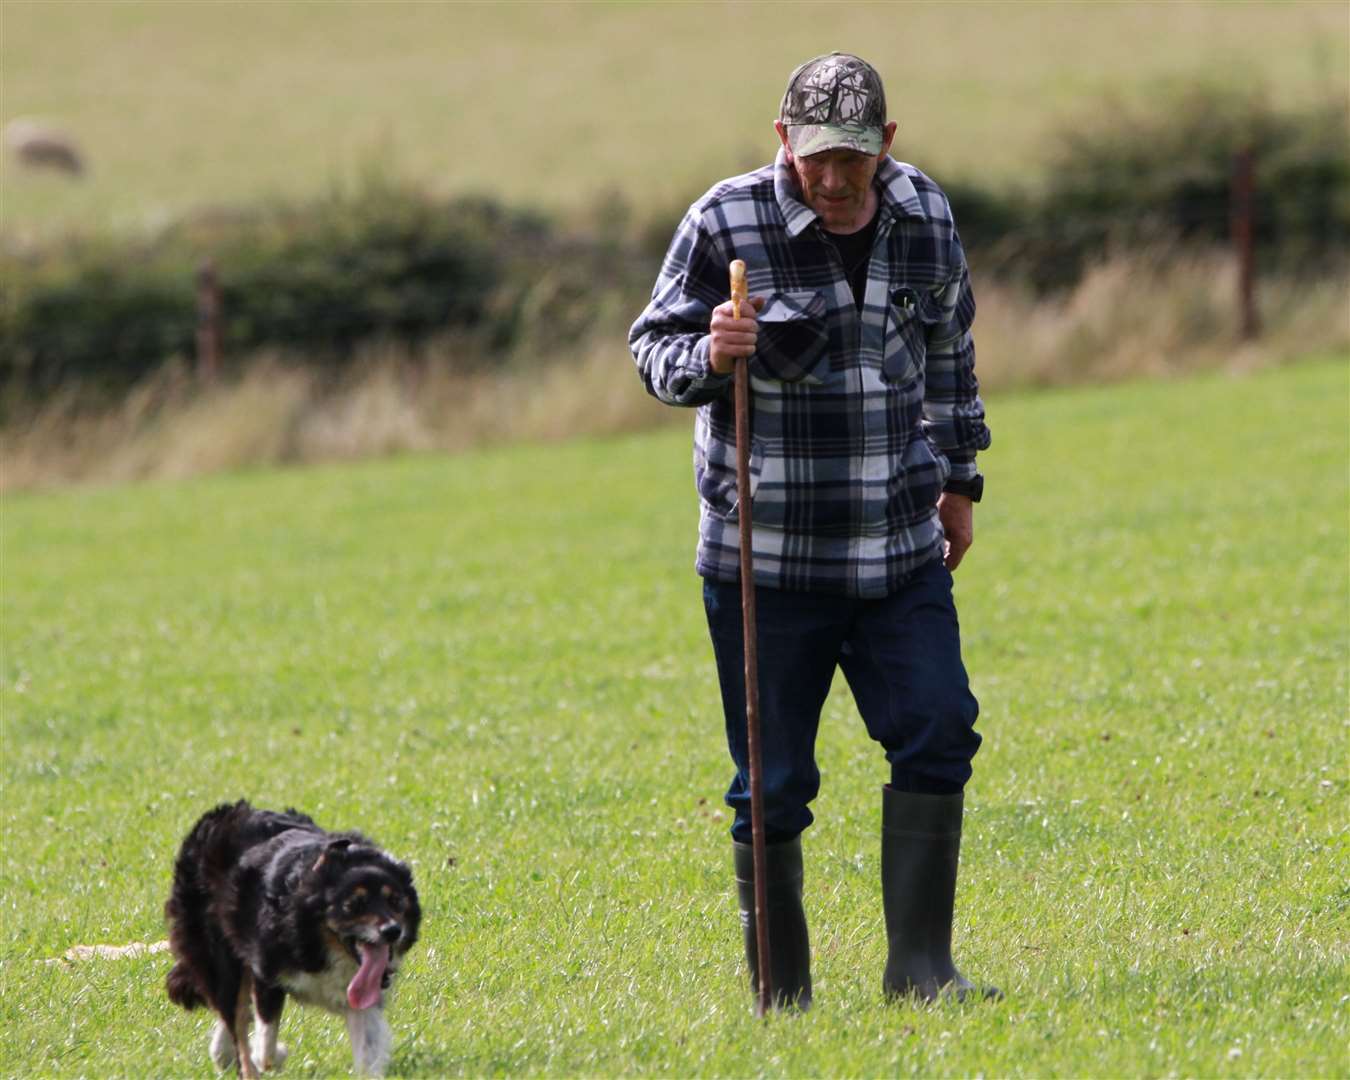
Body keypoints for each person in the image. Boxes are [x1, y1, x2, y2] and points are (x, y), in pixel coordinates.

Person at [629, 52, 998, 1011]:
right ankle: (780, 996)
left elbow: (951, 354)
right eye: (815, 159)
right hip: (768, 559)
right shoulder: (726, 219)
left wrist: (960, 480)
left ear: (886, 146)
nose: (833, 181)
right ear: (783, 141)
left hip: (896, 546)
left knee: (939, 726)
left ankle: (921, 971)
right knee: (774, 784)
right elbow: (652, 348)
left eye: (853, 161)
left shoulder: (926, 217)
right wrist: (710, 351)